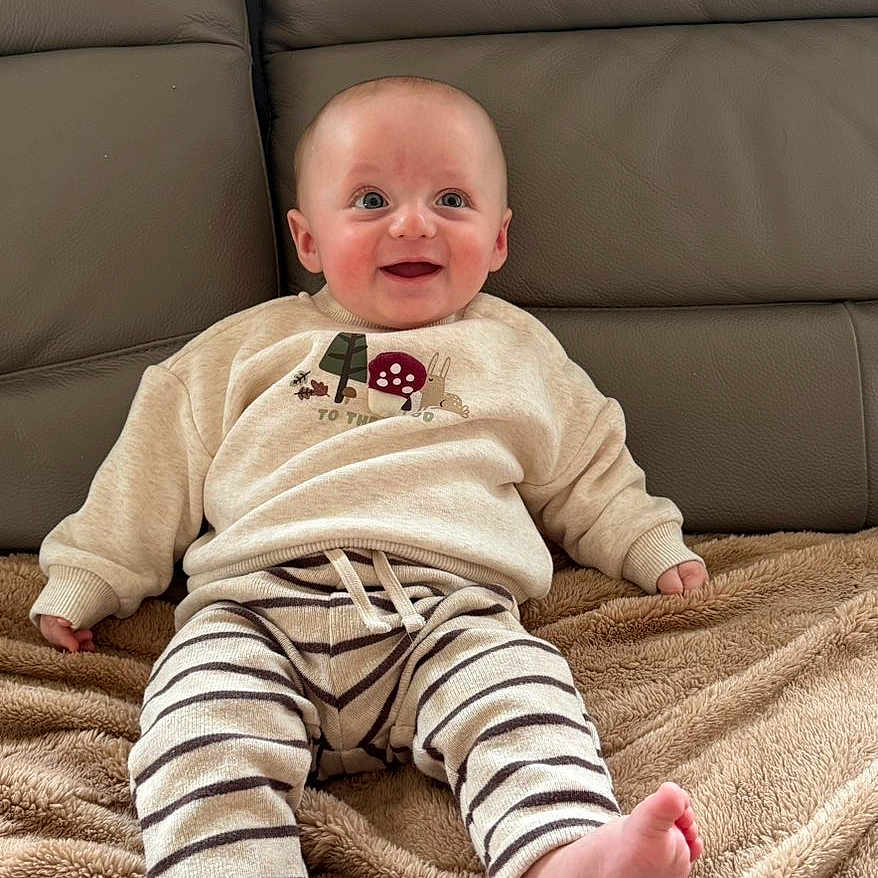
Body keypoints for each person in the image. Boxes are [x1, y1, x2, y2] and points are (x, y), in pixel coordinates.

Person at [31, 75, 708, 878]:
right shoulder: (245, 349)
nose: (414, 222)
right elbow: (152, 471)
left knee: (522, 698)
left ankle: (565, 853)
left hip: (445, 609)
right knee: (197, 726)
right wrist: (87, 576)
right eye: (371, 200)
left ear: (498, 239)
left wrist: (649, 543)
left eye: (452, 199)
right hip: (257, 610)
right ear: (308, 239)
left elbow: (588, 469)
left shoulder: (518, 353)